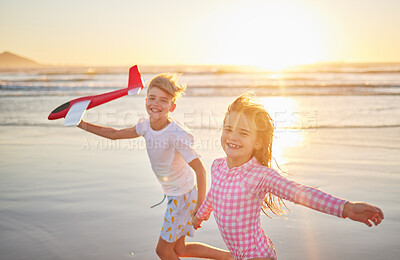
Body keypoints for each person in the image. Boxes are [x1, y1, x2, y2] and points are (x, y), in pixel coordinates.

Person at [191, 92, 384, 260]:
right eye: (228, 129)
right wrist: (200, 216)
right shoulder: (217, 166)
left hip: (257, 253)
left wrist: (346, 208)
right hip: (236, 253)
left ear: (257, 143)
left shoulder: (260, 175)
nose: (232, 137)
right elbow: (214, 193)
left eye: (243, 133)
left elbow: (298, 192)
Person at [77, 73, 233, 260]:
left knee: (162, 251)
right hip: (178, 194)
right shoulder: (145, 126)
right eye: (152, 98)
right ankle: (231, 257)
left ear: (172, 106)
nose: (156, 104)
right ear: (146, 100)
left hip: (182, 198)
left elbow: (200, 169)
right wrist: (81, 123)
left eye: (163, 100)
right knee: (180, 249)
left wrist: (201, 207)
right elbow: (115, 134)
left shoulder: (175, 134)